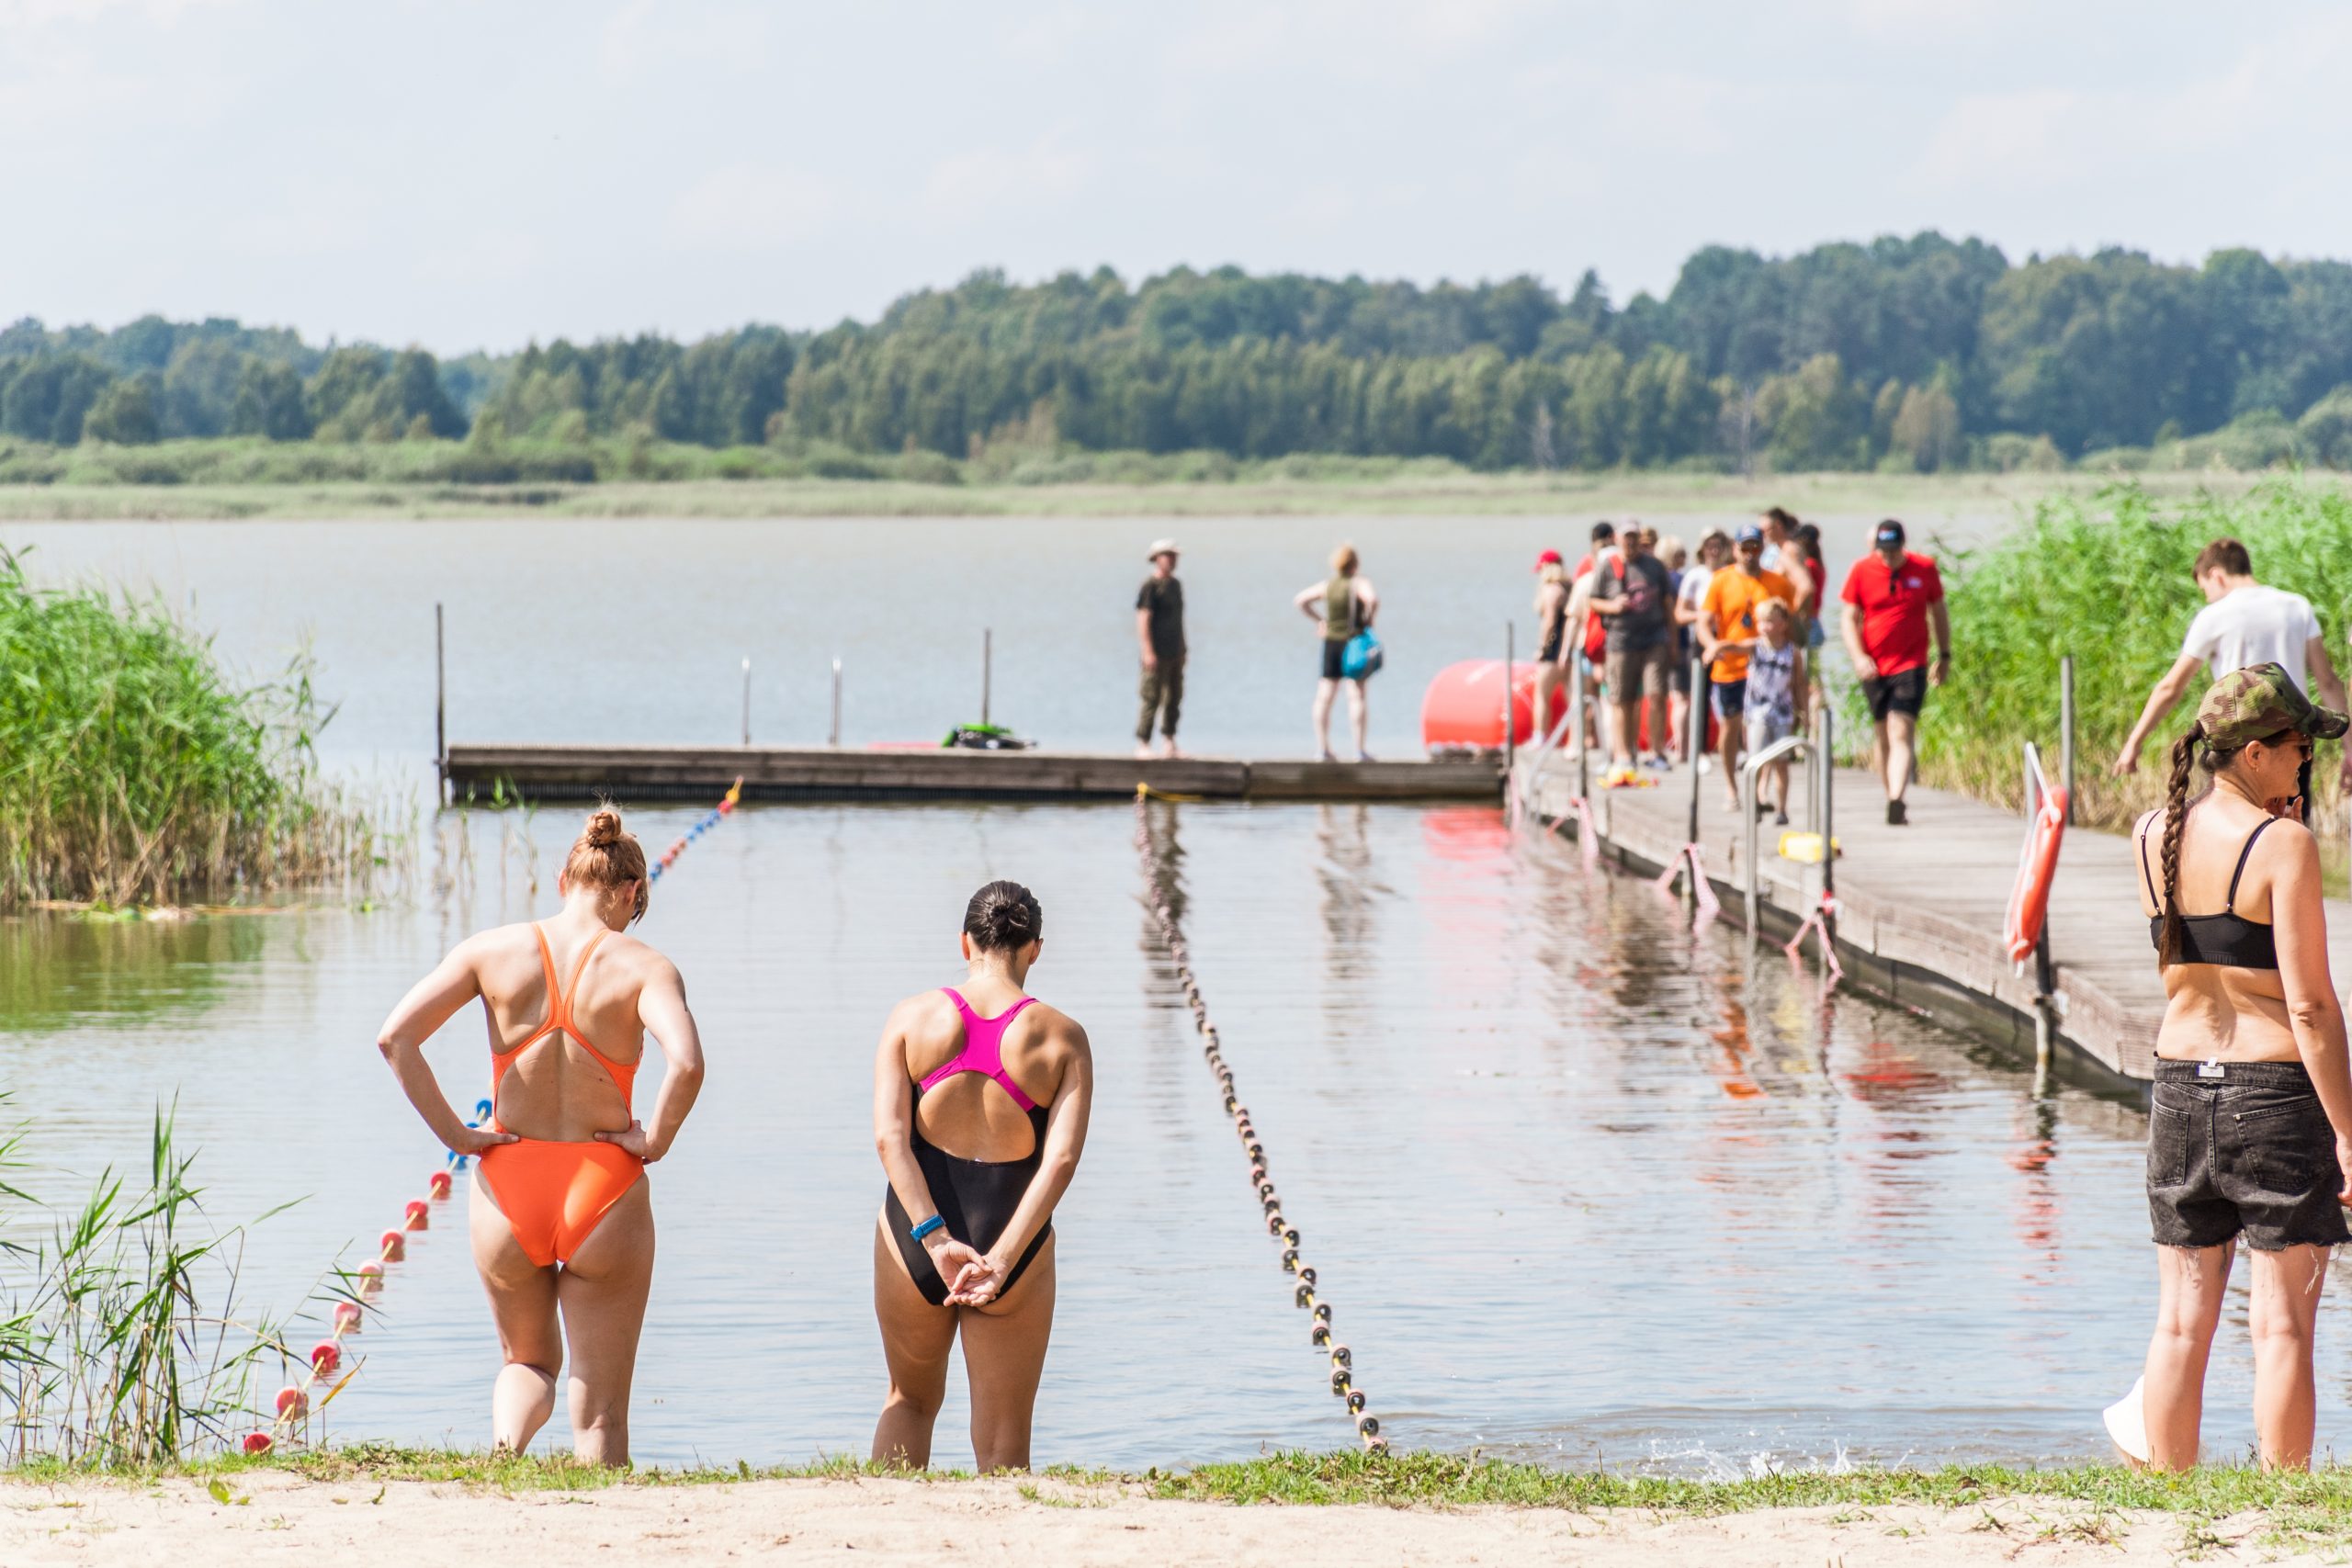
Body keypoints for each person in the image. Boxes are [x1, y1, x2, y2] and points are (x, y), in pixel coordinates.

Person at [375, 807, 706, 1465]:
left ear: (564, 880)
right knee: (601, 1409)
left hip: (508, 1186)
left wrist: (458, 1135)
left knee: (526, 1362)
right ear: (632, 892)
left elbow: (396, 1038)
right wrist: (655, 1141)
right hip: (602, 1189)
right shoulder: (646, 967)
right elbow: (688, 1063)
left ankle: (504, 1455)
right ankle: (602, 1511)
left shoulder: (489, 951)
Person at [2120, 666, 2352, 1472]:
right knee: (2282, 1324)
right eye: (2298, 747)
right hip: (2273, 1094)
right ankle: (2284, 1498)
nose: (2307, 761)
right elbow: (2311, 1007)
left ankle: (2169, 1490)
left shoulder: (2152, 832)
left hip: (2179, 1087)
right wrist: (2349, 1132)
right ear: (2254, 753)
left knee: (2181, 1321)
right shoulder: (2283, 845)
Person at [872, 881, 1093, 1472]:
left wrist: (934, 1238)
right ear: (1035, 949)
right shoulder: (1063, 1036)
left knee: (908, 1402)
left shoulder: (911, 1017)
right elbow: (1061, 1161)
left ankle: (883, 1523)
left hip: (914, 1236)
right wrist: (1001, 1260)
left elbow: (890, 1139)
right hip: (1011, 1238)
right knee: (1003, 1440)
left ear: (965, 943)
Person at [2115, 538, 2352, 785]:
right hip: (2293, 741)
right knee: (2293, 809)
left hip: (2238, 743)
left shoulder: (2214, 615)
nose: (2208, 598)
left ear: (2216, 575)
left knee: (2234, 809)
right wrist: (2350, 748)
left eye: (2205, 589)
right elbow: (2327, 682)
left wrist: (2134, 742)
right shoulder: (2297, 606)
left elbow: (2171, 687)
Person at [1839, 519, 1951, 826]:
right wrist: (1858, 657)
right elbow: (1849, 618)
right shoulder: (1861, 570)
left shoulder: (1924, 568)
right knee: (1882, 735)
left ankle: (1896, 798)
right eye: (1883, 550)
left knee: (1900, 729)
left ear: (1903, 545)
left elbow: (1938, 611)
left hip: (1911, 663)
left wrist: (1944, 654)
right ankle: (1890, 793)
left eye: (1893, 550)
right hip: (1873, 666)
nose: (1888, 556)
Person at [1700, 524, 1797, 809]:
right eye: (1745, 547)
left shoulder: (1777, 583)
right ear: (1735, 549)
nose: (1750, 553)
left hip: (1767, 670)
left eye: (1755, 546)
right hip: (1731, 667)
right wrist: (1712, 646)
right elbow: (1704, 622)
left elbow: (1791, 623)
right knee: (1730, 727)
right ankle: (1731, 788)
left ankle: (1760, 792)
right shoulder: (1721, 580)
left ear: (1762, 548)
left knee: (1762, 728)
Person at [1589, 524, 1676, 783]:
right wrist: (1613, 606)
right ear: (1617, 539)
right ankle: (1623, 754)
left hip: (1654, 640)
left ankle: (1657, 752)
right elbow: (1593, 600)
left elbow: (1668, 604)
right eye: (1626, 537)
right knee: (1622, 700)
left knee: (1656, 694)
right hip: (1621, 642)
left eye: (1635, 537)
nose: (1631, 542)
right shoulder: (1608, 566)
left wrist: (1673, 642)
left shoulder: (1655, 566)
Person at [1295, 544, 1379, 762]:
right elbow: (1372, 599)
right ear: (1355, 563)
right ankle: (1359, 750)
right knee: (1357, 695)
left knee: (1325, 696)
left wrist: (1321, 621)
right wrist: (1370, 620)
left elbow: (1301, 600)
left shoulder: (1328, 585)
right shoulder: (1359, 583)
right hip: (1354, 643)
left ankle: (1323, 749)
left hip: (1331, 643)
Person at [1135, 540, 1186, 761]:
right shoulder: (1150, 586)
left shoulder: (1175, 585)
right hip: (1156, 652)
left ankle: (1169, 743)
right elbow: (1143, 618)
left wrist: (1183, 649)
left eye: (1174, 556)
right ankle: (1143, 743)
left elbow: (1178, 619)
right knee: (1151, 697)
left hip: (1175, 651)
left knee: (1174, 697)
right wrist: (1147, 651)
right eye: (1167, 555)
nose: (1172, 560)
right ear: (1156, 558)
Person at [1532, 547, 1571, 744]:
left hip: (1554, 650)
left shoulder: (1551, 590)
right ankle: (1579, 739)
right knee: (1572, 698)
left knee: (1542, 695)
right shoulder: (1569, 588)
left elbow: (1549, 623)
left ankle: (1540, 736)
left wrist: (1542, 648)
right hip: (1569, 650)